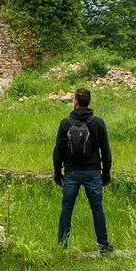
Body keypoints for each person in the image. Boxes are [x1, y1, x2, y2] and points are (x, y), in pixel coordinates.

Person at [53, 87, 113, 251]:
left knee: (67, 209)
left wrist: (58, 172)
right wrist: (106, 174)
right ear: (89, 102)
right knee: (97, 209)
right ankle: (103, 245)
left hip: (71, 172)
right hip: (93, 172)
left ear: (76, 101)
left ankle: (62, 246)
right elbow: (106, 151)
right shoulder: (98, 122)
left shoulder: (65, 123)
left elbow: (58, 150)